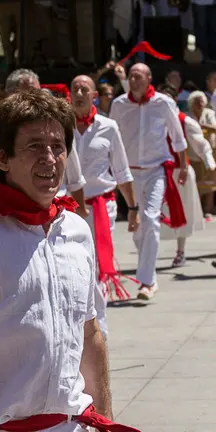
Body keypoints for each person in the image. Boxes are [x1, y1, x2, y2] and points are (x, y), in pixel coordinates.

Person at [0, 90, 138, 432]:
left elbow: (90, 333)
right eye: (34, 146)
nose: (50, 158)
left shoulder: (76, 231)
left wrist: (104, 422)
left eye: (58, 146)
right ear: (2, 158)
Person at [110, 63, 188, 300]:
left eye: (138, 76)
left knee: (151, 219)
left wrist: (183, 166)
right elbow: (111, 137)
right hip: (129, 175)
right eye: (131, 76)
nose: (134, 80)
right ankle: (149, 273)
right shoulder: (119, 104)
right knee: (138, 228)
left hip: (156, 171)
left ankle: (147, 282)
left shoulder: (163, 103)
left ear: (149, 78)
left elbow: (177, 136)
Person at [70, 74, 138, 339]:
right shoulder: (61, 126)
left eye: (84, 89)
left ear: (94, 96)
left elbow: (122, 171)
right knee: (74, 265)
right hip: (68, 208)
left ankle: (100, 328)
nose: (79, 93)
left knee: (97, 265)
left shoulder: (108, 127)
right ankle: (79, 322)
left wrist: (133, 209)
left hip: (101, 206)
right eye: (75, 89)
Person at [1, 69, 88, 217]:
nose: (37, 99)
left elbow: (75, 177)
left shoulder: (57, 125)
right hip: (11, 213)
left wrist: (80, 212)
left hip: (55, 211)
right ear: (10, 95)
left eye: (38, 92)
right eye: (30, 93)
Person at [157, 84, 216, 267]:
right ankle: (148, 253)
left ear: (174, 100)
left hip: (180, 173)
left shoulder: (185, 121)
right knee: (151, 214)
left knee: (181, 213)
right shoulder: (153, 120)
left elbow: (202, 144)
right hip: (156, 173)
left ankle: (180, 252)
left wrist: (209, 162)